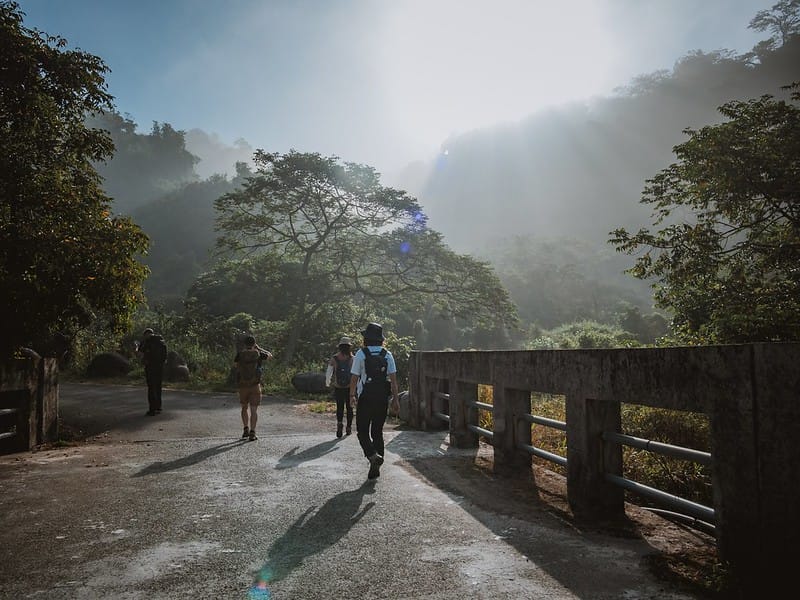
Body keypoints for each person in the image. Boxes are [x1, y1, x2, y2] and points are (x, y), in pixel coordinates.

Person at [349, 323, 400, 479]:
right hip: (382, 399)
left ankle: (372, 456)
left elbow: (354, 377)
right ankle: (377, 462)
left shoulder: (361, 354)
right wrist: (396, 399)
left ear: (366, 339)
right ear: (380, 339)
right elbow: (393, 379)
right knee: (377, 432)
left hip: (366, 398)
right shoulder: (387, 354)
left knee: (362, 431)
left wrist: (351, 396)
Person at [234, 335, 273, 441]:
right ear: (254, 344)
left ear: (245, 344)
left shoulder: (240, 354)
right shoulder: (259, 354)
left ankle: (245, 429)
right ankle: (253, 432)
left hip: (242, 386)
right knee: (254, 409)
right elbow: (270, 356)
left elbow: (236, 366)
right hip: (255, 385)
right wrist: (259, 348)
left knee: (244, 407)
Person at [326, 336, 354, 438]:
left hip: (338, 386)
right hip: (349, 387)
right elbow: (355, 374)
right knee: (349, 408)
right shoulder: (352, 358)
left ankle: (339, 423)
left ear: (340, 346)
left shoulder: (334, 358)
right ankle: (349, 427)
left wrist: (327, 382)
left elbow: (329, 372)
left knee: (340, 407)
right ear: (349, 347)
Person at [136, 328, 167, 416]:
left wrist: (137, 348)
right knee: (158, 387)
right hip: (160, 368)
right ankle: (158, 407)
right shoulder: (161, 341)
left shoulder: (146, 342)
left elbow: (140, 354)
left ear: (146, 334)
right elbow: (165, 356)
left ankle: (152, 409)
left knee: (151, 388)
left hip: (150, 367)